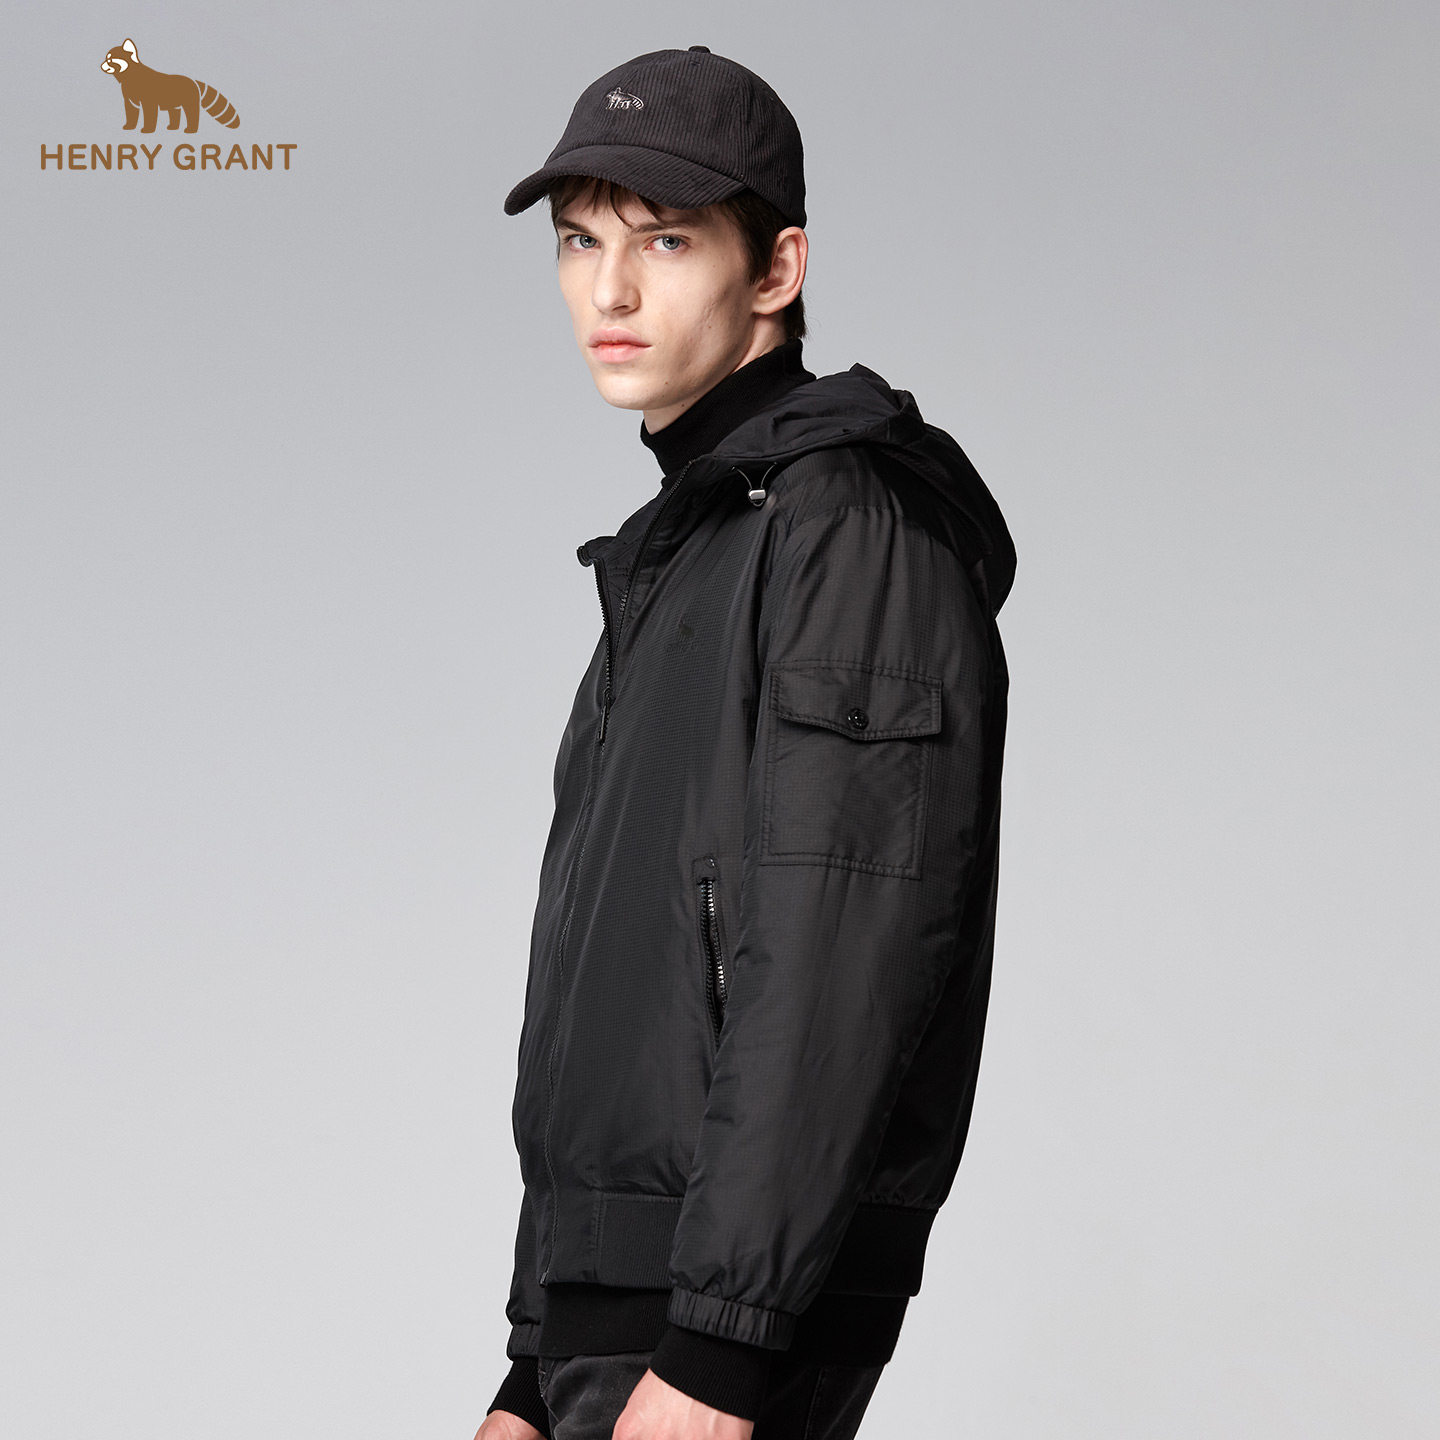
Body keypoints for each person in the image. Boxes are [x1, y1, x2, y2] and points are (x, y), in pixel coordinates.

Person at [475, 45, 1015, 1440]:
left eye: (664, 240)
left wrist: (722, 1346)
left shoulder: (846, 533)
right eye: (580, 241)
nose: (610, 290)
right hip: (625, 1319)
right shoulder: (691, 551)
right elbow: (617, 985)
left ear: (776, 269)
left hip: (722, 1328)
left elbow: (844, 947)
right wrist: (533, 1359)